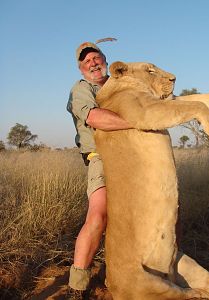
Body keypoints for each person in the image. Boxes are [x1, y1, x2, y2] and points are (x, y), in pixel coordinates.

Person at [66, 41, 131, 298]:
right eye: (86, 61)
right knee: (98, 215)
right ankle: (77, 286)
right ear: (81, 69)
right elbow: (94, 118)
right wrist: (137, 122)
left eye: (96, 57)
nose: (92, 63)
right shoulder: (81, 89)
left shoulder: (120, 86)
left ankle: (125, 273)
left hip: (131, 157)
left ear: (106, 59)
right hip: (102, 157)